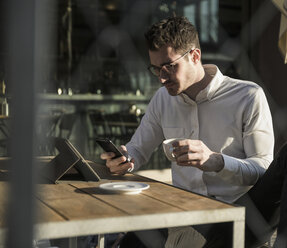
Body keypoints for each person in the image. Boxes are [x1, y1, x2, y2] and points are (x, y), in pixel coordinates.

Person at [100, 16, 281, 247]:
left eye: (169, 67)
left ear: (195, 56)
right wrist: (126, 159)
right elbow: (138, 148)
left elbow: (264, 169)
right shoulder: (162, 99)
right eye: (155, 69)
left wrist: (216, 161)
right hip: (182, 211)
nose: (161, 78)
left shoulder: (248, 96)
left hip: (236, 210)